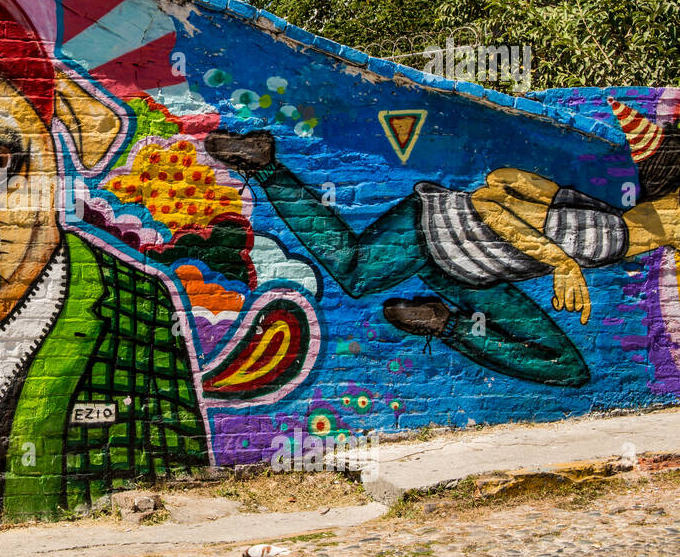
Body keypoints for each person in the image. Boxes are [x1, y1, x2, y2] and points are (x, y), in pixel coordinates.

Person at [205, 96, 680, 389]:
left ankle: (444, 321)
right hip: (437, 232)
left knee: (567, 365)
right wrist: (561, 262)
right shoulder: (609, 235)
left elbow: (501, 179)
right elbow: (491, 202)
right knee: (355, 271)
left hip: (473, 270)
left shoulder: (604, 215)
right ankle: (266, 164)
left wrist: (551, 235)